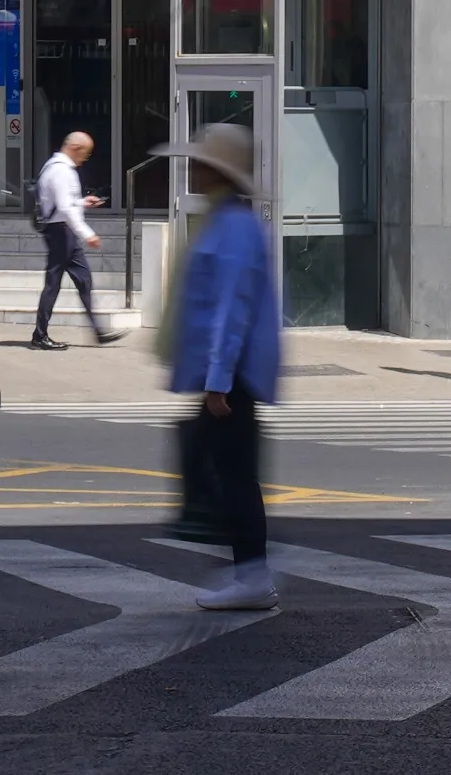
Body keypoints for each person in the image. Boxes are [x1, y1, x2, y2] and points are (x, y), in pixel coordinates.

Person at [156, 123, 282, 611]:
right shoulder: (224, 221)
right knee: (225, 468)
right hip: (228, 374)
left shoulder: (232, 227)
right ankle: (249, 567)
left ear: (217, 170)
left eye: (201, 160)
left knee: (230, 472)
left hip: (233, 376)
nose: (192, 165)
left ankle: (253, 573)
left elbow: (231, 308)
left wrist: (217, 381)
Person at [31, 131, 121, 349]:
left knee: (83, 280)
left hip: (63, 231)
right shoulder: (61, 171)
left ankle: (98, 331)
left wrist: (82, 202)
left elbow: (66, 205)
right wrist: (87, 233)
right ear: (76, 147)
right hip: (61, 232)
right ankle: (40, 335)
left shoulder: (53, 167)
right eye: (86, 153)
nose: (85, 159)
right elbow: (64, 208)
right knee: (54, 284)